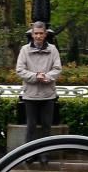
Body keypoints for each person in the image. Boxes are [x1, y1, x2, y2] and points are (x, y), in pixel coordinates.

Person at [16, 21, 61, 160]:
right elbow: (19, 70)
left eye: (41, 33)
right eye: (36, 33)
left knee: (46, 126)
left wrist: (46, 76)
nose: (38, 36)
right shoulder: (24, 50)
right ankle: (29, 154)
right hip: (30, 95)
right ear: (32, 33)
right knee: (31, 126)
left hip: (48, 95)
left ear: (45, 34)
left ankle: (44, 154)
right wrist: (35, 76)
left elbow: (58, 68)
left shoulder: (53, 49)